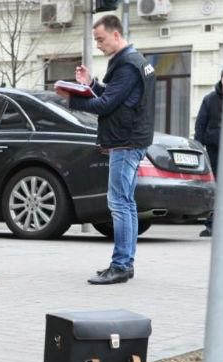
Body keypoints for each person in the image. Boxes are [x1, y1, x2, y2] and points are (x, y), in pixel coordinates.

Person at [55, 15, 155, 285]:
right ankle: (126, 263)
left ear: (116, 35)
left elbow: (105, 104)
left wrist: (73, 98)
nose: (98, 45)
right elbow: (117, 95)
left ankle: (121, 265)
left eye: (100, 39)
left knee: (119, 203)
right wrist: (91, 84)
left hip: (125, 142)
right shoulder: (136, 63)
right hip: (131, 139)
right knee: (127, 203)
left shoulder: (127, 66)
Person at [194, 67, 223, 237]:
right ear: (222, 79)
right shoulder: (210, 99)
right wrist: (198, 146)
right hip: (213, 149)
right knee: (215, 186)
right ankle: (211, 224)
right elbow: (200, 123)